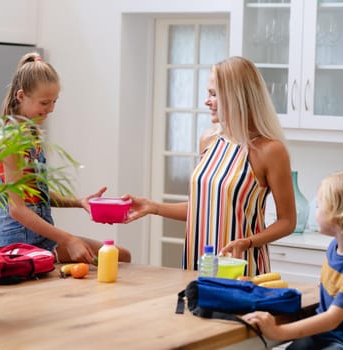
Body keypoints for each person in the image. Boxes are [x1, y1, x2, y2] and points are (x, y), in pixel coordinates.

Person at [124, 56, 296, 275]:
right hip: (197, 263)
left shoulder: (270, 150)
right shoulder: (208, 140)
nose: (207, 101)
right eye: (209, 93)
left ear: (237, 97)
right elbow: (203, 208)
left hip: (240, 267)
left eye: (214, 94)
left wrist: (248, 242)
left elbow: (288, 221)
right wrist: (152, 207)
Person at [0, 52, 131, 264]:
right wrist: (69, 240)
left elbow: (35, 194)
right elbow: (17, 209)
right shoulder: (10, 138)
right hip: (22, 245)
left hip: (43, 237)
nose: (50, 109)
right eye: (44, 102)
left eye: (54, 102)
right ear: (21, 96)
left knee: (121, 257)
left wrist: (78, 202)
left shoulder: (29, 134)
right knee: (115, 259)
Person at [242, 167, 343, 350]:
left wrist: (277, 332)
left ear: (340, 214)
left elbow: (332, 319)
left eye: (320, 206)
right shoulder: (334, 248)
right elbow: (326, 298)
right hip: (327, 334)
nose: (315, 211)